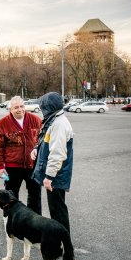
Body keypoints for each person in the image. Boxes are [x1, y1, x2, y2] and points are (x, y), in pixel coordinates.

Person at [31, 92, 73, 234]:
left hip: (56, 176)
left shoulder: (59, 124)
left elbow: (57, 154)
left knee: (58, 210)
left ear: (49, 107)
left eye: (43, 106)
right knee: (56, 209)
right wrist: (37, 149)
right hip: (56, 174)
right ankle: (60, 239)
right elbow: (48, 142)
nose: (41, 109)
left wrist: (49, 177)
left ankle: (63, 242)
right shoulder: (54, 120)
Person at [0, 96, 42, 215]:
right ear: (10, 109)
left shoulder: (36, 120)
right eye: (16, 107)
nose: (20, 109)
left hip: (33, 165)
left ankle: (34, 218)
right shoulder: (2, 123)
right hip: (12, 166)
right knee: (10, 195)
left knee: (35, 194)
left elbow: (42, 141)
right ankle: (11, 218)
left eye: (22, 106)